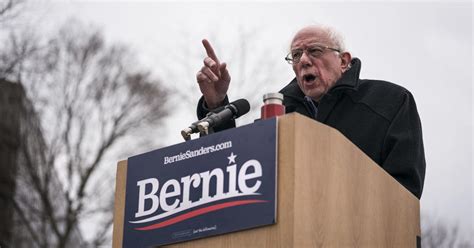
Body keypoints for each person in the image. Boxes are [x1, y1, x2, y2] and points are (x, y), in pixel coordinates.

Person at [195, 25, 425, 199]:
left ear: (344, 61)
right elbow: (235, 177)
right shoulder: (277, 115)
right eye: (296, 55)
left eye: (314, 50)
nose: (304, 60)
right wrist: (216, 105)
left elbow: (405, 194)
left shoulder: (391, 101)